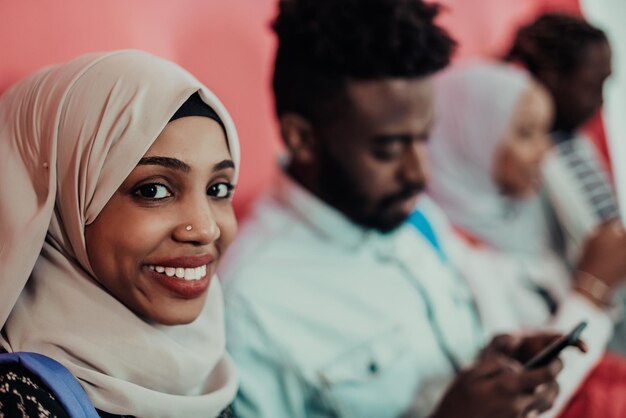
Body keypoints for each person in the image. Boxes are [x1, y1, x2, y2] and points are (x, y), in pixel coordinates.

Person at [220, 1, 567, 417]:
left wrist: (494, 362)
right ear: (301, 139)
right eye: (388, 148)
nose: (420, 172)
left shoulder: (408, 215)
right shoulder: (251, 305)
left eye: (423, 138)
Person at [0, 50, 240, 418]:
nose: (205, 228)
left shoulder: (208, 365)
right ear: (62, 203)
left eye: (218, 189)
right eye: (154, 190)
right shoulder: (17, 400)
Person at [426, 60, 626, 415]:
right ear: (472, 134)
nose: (544, 152)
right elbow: (515, 401)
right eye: (525, 133)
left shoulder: (522, 209)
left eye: (545, 132)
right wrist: (592, 289)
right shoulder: (449, 252)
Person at [506, 13, 618, 262]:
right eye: (590, 85)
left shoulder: (577, 142)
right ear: (551, 76)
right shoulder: (524, 162)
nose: (600, 101)